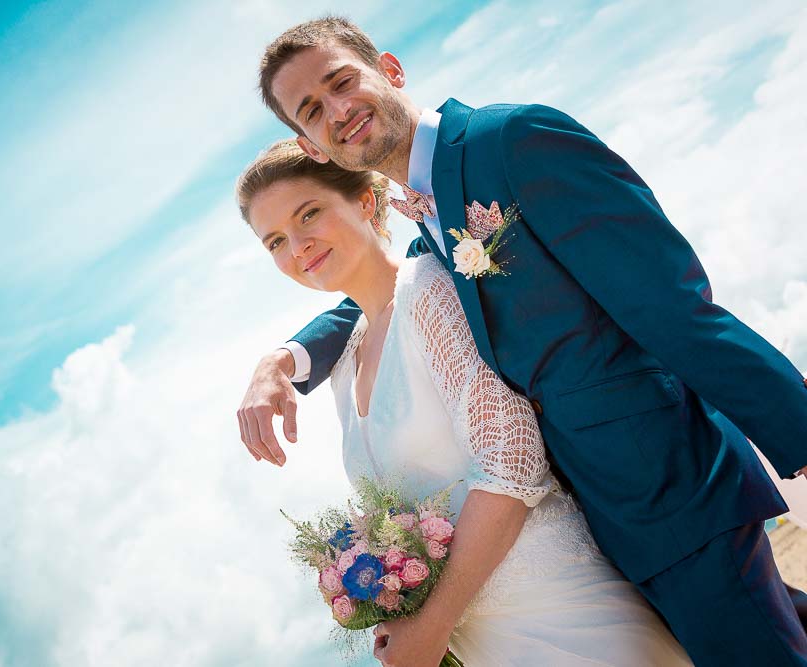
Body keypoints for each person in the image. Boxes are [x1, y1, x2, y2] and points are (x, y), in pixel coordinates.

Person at [236, 16, 807, 667]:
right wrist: (282, 360)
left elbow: (675, 306)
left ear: (391, 70)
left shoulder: (512, 140)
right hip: (602, 526)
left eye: (343, 81)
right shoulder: (429, 212)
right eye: (312, 110)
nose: (338, 110)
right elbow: (387, 292)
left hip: (676, 486)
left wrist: (800, 433)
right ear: (311, 144)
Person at [237, 139, 692, 666]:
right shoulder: (344, 362)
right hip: (480, 643)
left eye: (308, 213)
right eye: (274, 241)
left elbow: (513, 460)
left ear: (366, 200)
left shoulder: (431, 291)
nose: (298, 246)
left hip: (562, 615)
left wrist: (434, 620)